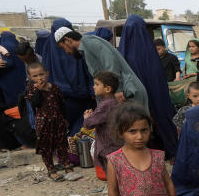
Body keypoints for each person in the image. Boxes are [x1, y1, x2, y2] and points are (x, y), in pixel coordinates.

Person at [117, 15, 179, 157]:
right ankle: (166, 150)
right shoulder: (149, 50)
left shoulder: (124, 51)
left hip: (136, 94)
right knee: (152, 118)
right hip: (152, 92)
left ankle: (157, 151)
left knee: (140, 120)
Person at [55, 27, 148, 108]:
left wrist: (118, 90)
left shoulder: (88, 42)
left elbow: (111, 64)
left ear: (67, 40)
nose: (66, 52)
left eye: (64, 48)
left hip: (127, 93)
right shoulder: (85, 49)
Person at [35, 18, 93, 134]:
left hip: (60, 95)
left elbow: (45, 69)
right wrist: (92, 90)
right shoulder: (78, 46)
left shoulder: (48, 46)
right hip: (82, 94)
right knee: (81, 125)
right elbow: (88, 69)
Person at [26, 62, 69, 181]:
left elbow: (62, 104)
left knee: (62, 144)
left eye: (41, 74)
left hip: (58, 120)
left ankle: (67, 165)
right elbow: (35, 103)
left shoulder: (54, 87)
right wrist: (39, 91)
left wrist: (65, 119)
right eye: (35, 76)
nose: (39, 78)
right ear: (30, 78)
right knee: (46, 147)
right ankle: (51, 170)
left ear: (47, 74)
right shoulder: (32, 90)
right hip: (44, 123)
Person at [82, 70, 120, 179]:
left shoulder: (106, 104)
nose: (94, 87)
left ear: (107, 89)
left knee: (112, 175)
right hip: (114, 144)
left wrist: (87, 117)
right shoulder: (113, 101)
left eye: (97, 84)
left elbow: (89, 124)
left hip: (108, 146)